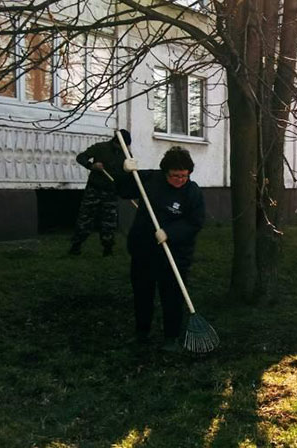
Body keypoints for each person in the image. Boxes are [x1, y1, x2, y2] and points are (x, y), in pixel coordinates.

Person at [119, 147, 205, 352]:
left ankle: (171, 338)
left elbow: (195, 222)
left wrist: (170, 233)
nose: (180, 179)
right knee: (142, 293)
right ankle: (142, 333)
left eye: (184, 175)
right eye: (175, 175)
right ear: (166, 172)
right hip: (144, 250)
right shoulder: (150, 180)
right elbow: (124, 191)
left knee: (172, 296)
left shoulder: (192, 192)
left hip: (175, 254)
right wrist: (126, 173)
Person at [68, 129, 131, 256]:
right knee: (85, 218)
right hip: (94, 189)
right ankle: (76, 246)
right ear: (115, 142)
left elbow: (128, 174)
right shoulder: (100, 148)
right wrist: (92, 166)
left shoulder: (127, 155)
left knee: (109, 221)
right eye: (121, 145)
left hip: (111, 192)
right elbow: (81, 157)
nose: (123, 148)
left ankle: (108, 249)